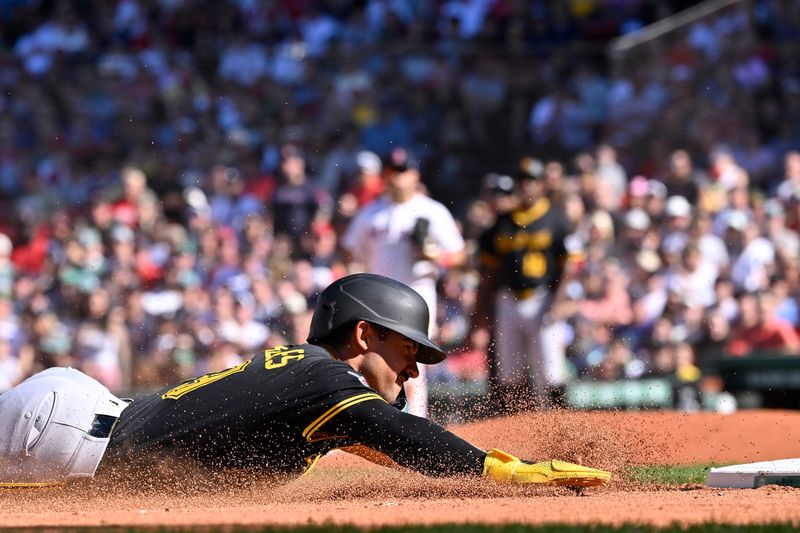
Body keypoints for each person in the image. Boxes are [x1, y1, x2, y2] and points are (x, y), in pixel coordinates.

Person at [0, 273, 611, 489]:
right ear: (366, 336)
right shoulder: (329, 387)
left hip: (77, 418)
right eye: (408, 349)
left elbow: (377, 441)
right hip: (65, 439)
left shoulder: (312, 380)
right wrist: (501, 471)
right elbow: (400, 434)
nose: (415, 369)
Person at [341, 147, 466, 417]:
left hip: (416, 297)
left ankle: (416, 422)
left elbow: (458, 255)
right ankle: (376, 424)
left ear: (415, 175)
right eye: (393, 171)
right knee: (372, 361)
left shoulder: (431, 211)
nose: (397, 177)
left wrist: (434, 256)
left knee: (411, 361)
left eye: (403, 171)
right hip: (377, 299)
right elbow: (349, 248)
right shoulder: (371, 212)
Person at [473, 157, 579, 411]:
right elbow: (488, 272)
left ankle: (561, 428)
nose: (527, 185)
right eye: (522, 180)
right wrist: (481, 314)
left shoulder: (556, 219)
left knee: (551, 372)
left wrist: (558, 301)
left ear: (542, 183)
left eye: (532, 180)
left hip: (543, 299)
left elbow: (571, 265)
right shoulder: (503, 221)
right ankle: (519, 429)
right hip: (508, 300)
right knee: (509, 374)